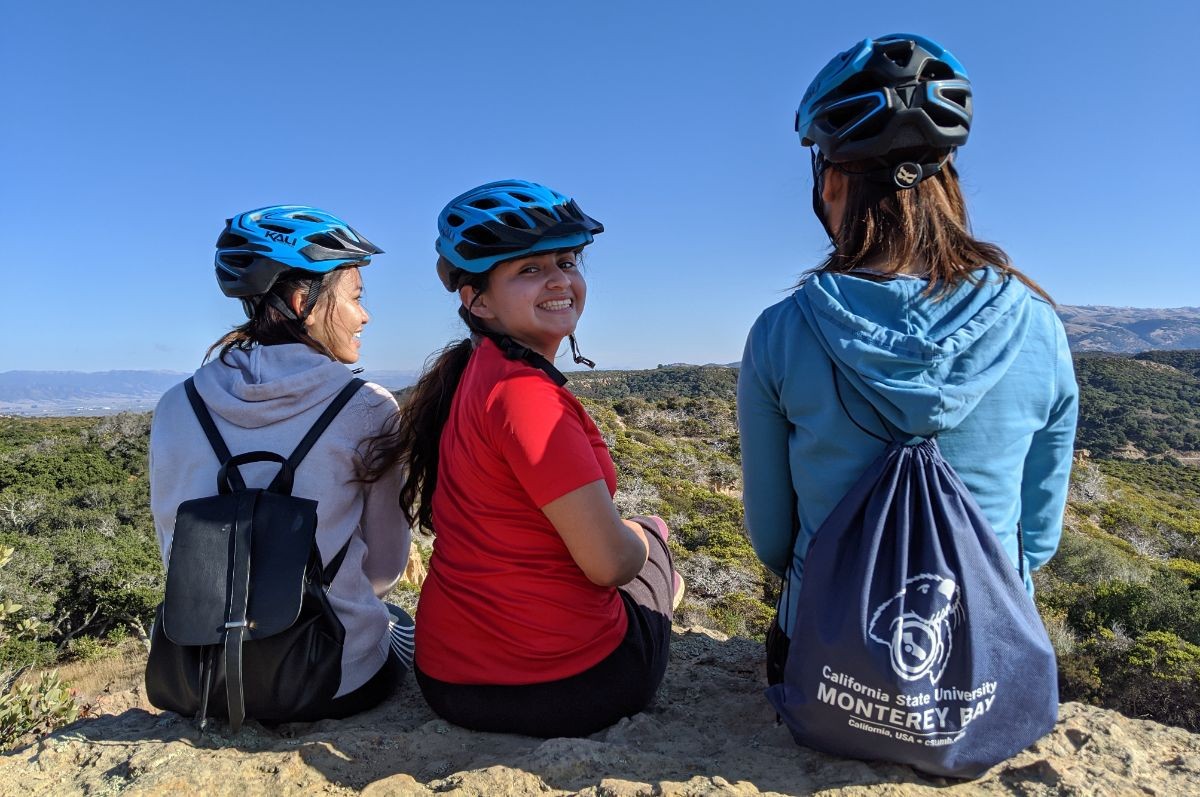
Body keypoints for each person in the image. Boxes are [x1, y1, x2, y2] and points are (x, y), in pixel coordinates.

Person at [737, 34, 1078, 683]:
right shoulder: (1039, 326)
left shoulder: (782, 332)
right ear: (948, 172)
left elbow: (774, 543)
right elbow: (1038, 542)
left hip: (828, 668)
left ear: (832, 178)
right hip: (987, 669)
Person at [365, 180, 680, 737]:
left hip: (448, 677)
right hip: (560, 687)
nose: (559, 279)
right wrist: (644, 539)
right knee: (651, 543)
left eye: (566, 260)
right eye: (528, 269)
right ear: (477, 299)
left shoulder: (473, 372)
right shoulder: (528, 397)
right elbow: (608, 566)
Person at [149, 205, 414, 720]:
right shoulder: (369, 406)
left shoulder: (176, 405)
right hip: (333, 679)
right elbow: (384, 569)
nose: (365, 316)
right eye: (356, 298)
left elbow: (172, 549)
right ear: (303, 302)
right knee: (398, 622)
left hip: (201, 677)